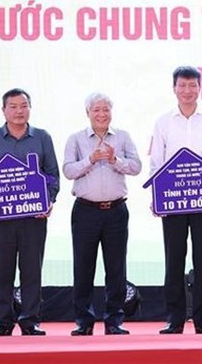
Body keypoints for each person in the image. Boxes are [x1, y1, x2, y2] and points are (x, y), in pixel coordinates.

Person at [149, 66, 202, 334]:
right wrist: (156, 196)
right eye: (182, 86)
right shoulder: (163, 121)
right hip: (173, 201)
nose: (187, 91)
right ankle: (174, 318)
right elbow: (157, 162)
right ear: (174, 88)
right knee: (174, 258)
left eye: (192, 86)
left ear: (199, 88)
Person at [0, 88, 60, 337]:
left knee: (32, 269)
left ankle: (30, 320)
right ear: (4, 111)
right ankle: (3, 321)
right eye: (13, 106)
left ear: (30, 108)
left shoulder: (42, 137)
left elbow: (52, 174)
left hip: (33, 217)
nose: (19, 111)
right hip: (1, 219)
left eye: (23, 105)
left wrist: (48, 200)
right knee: (2, 270)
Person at [63, 92, 141, 336]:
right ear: (88, 113)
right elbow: (67, 170)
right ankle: (84, 321)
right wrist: (90, 159)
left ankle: (114, 320)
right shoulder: (76, 139)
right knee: (83, 267)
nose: (101, 114)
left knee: (116, 267)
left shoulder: (123, 137)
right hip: (86, 210)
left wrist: (115, 159)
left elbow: (137, 167)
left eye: (105, 110)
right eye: (96, 110)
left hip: (116, 210)